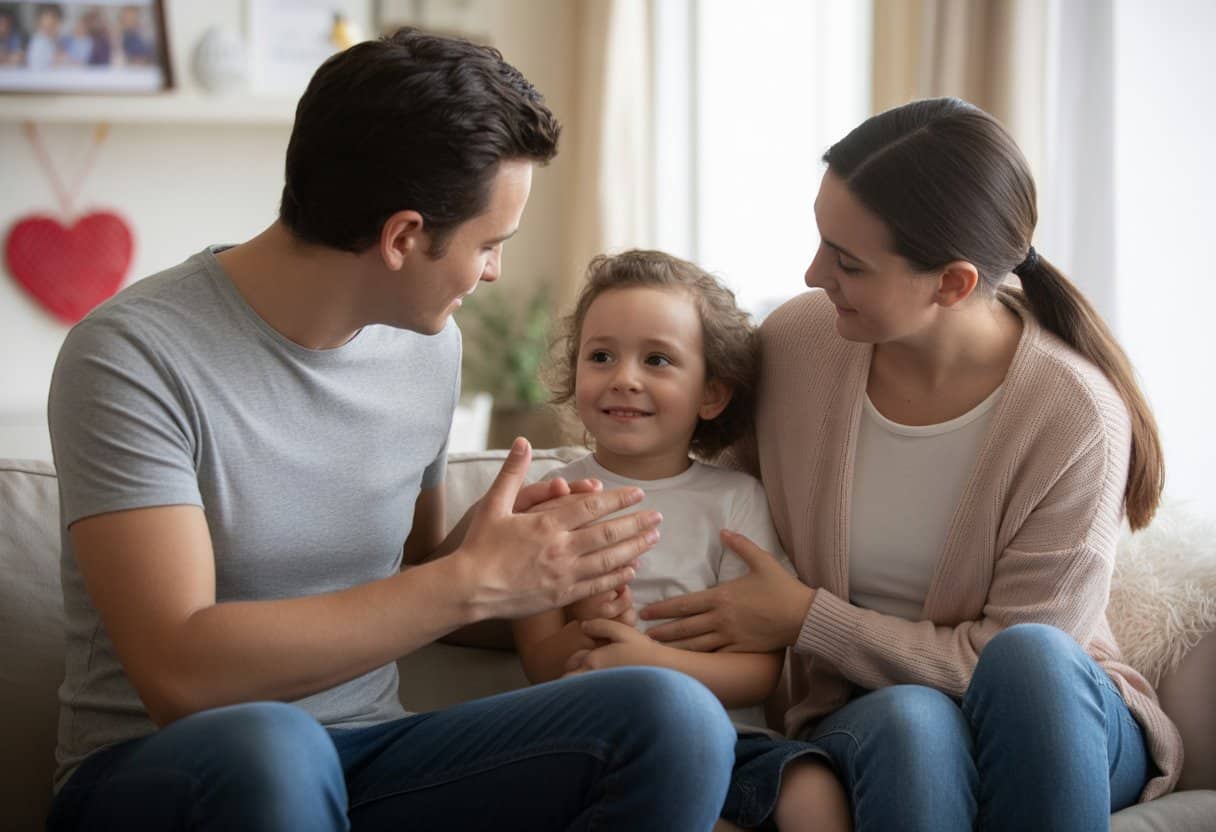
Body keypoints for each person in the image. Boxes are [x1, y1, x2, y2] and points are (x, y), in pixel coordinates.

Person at [45, 29, 735, 832]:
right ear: (403, 237)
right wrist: (466, 580)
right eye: (489, 244)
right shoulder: (132, 356)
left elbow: (416, 579)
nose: (492, 273)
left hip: (372, 759)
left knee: (669, 717)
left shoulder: (428, 346)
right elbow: (180, 673)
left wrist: (522, 562)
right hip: (167, 771)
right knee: (272, 748)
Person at [639, 97, 1184, 831]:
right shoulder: (800, 346)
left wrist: (807, 618)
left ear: (952, 284)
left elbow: (1009, 656)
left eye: (848, 262)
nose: (811, 272)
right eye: (821, 239)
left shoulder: (1075, 416)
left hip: (1054, 728)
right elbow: (700, 484)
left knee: (1030, 658)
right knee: (912, 721)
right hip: (872, 714)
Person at [512, 250, 851, 832]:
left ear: (711, 395)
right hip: (600, 741)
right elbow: (541, 666)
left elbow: (760, 674)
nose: (624, 376)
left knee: (814, 789)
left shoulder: (737, 500)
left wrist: (652, 661)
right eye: (601, 356)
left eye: (658, 359)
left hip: (736, 738)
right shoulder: (551, 498)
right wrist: (588, 627)